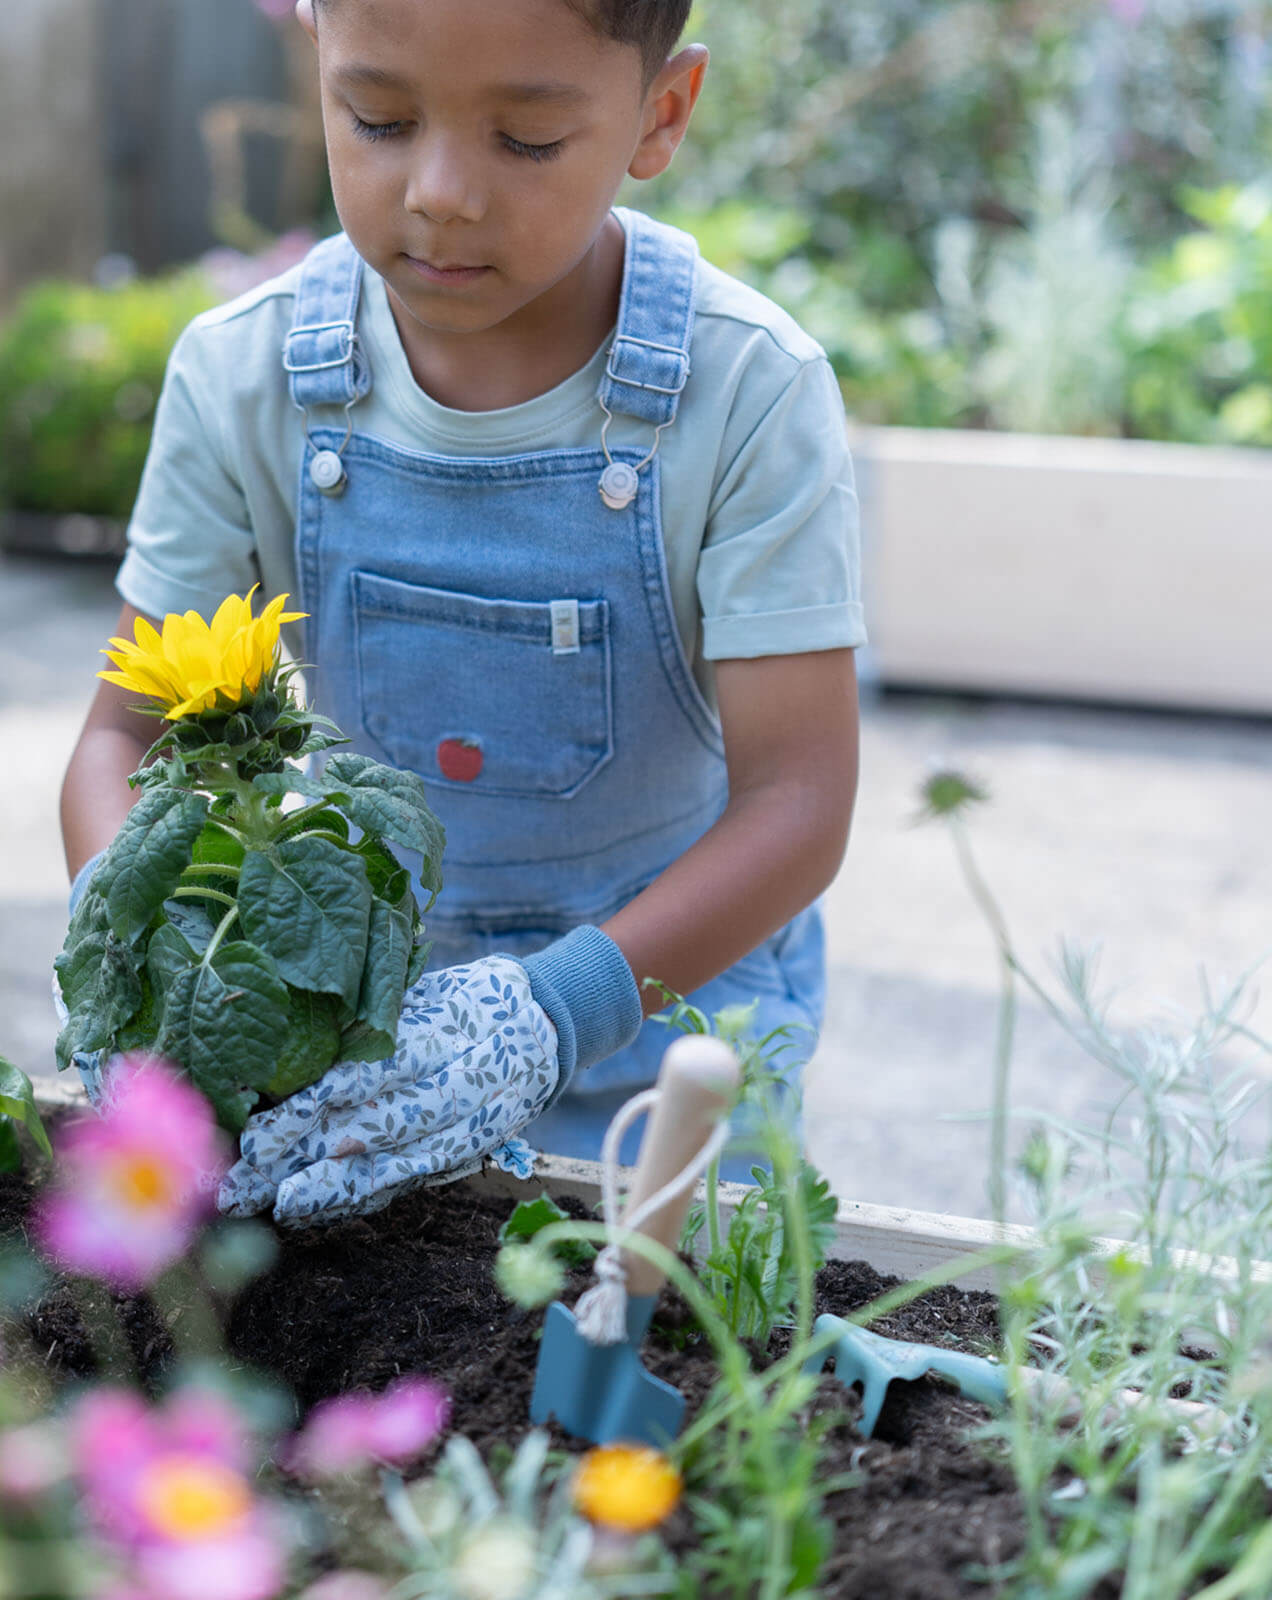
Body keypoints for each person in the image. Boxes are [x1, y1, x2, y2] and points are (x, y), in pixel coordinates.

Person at [58, 0, 863, 1223]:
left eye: (526, 141)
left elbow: (796, 805)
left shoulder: (747, 390)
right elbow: (121, 739)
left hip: (663, 1046)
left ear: (662, 113)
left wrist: (547, 1017)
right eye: (377, 118)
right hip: (353, 1069)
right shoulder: (244, 375)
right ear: (315, 57)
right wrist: (141, 967)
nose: (438, 192)